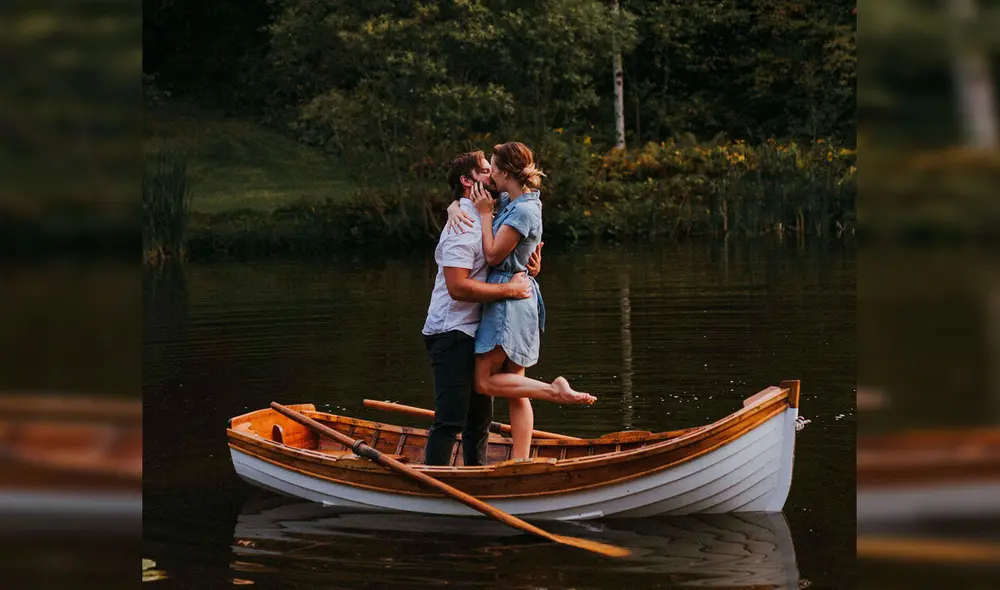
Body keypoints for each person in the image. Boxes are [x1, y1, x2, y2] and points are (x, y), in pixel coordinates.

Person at [470, 142, 596, 461]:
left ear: (507, 172)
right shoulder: (516, 201)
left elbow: (493, 254)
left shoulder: (523, 209)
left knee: (484, 381)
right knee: (516, 388)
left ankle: (553, 390)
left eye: (494, 168)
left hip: (509, 301)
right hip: (519, 291)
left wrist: (485, 217)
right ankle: (521, 462)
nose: (491, 174)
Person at [421, 150, 539, 467]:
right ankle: (435, 486)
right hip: (451, 332)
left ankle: (479, 478)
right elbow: (458, 288)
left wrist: (528, 271)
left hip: (477, 329)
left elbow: (504, 255)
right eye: (486, 171)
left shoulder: (489, 213)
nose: (493, 175)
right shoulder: (460, 225)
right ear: (467, 181)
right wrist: (510, 289)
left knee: (479, 422)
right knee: (450, 421)